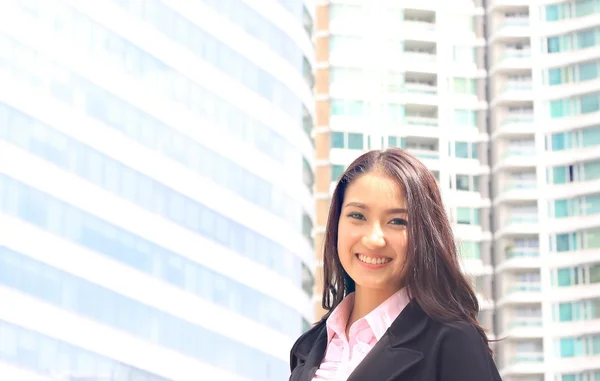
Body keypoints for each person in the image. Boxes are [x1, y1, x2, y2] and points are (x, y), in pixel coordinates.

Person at [289, 149, 502, 381]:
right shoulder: (308, 348)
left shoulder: (452, 341)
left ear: (424, 235)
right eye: (357, 216)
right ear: (337, 222)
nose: (374, 239)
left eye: (397, 221)